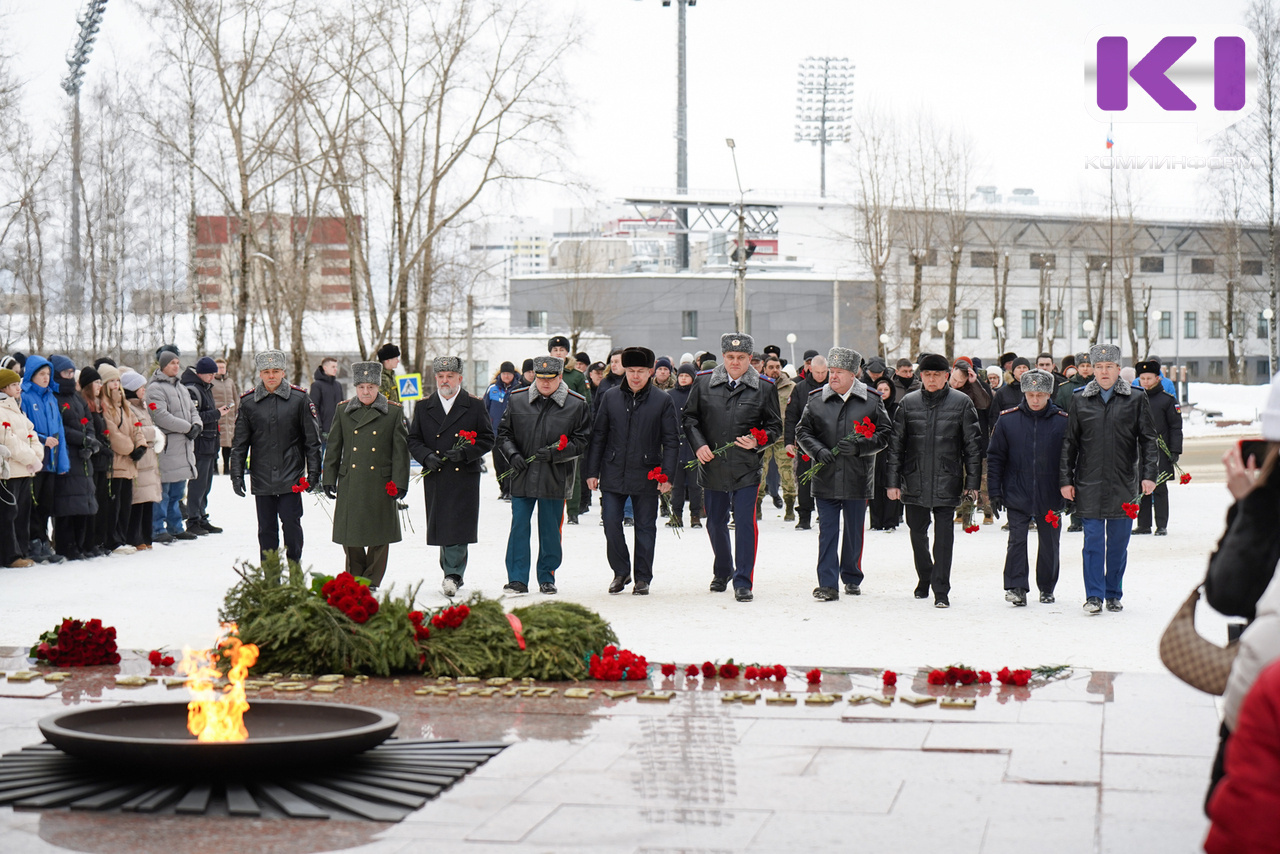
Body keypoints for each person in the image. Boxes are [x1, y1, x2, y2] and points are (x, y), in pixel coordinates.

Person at [682, 333, 783, 603]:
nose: (735, 362)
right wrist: (699, 445)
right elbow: (690, 418)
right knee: (715, 522)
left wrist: (758, 440)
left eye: (740, 357)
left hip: (746, 467)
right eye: (730, 357)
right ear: (723, 357)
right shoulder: (704, 382)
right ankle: (723, 569)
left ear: (750, 358)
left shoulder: (764, 387)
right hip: (712, 464)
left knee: (745, 523)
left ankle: (743, 580)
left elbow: (774, 426)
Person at [1059, 343, 1158, 615]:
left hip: (1123, 483)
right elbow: (1070, 443)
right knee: (1092, 542)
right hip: (1088, 482)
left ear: (1118, 369)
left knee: (1117, 544)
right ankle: (1094, 595)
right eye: (1099, 367)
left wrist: (1149, 475)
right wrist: (1066, 480)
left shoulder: (1135, 398)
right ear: (1092, 369)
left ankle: (1113, 593)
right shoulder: (1080, 399)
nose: (1104, 372)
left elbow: (1148, 440)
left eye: (1109, 367)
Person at [884, 352, 983, 609]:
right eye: (927, 374)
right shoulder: (908, 403)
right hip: (914, 477)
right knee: (917, 532)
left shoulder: (961, 403)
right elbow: (896, 446)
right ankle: (925, 575)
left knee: (944, 537)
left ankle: (941, 588)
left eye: (937, 375)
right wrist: (893, 482)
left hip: (947, 477)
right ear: (921, 376)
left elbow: (973, 447)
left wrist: (972, 484)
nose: (931, 379)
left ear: (946, 376)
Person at [796, 347, 891, 601]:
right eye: (831, 371)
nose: (833, 376)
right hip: (825, 475)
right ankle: (827, 584)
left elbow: (884, 434)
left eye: (839, 372)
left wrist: (861, 446)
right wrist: (817, 450)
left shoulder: (871, 400)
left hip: (857, 476)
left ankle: (851, 576)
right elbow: (802, 431)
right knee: (827, 531)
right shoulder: (816, 399)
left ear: (853, 374)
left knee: (853, 531)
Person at [585, 346, 679, 595]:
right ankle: (621, 571)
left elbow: (671, 441)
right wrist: (592, 471)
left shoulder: (662, 400)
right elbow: (599, 436)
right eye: (631, 371)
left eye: (640, 371)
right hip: (613, 470)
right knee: (611, 523)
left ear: (650, 372)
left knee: (645, 526)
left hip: (647, 472)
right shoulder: (611, 397)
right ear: (624, 371)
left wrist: (667, 475)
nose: (635, 376)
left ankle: (643, 577)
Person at [496, 355, 591, 594]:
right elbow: (504, 434)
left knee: (550, 530)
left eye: (550, 378)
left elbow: (581, 441)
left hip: (555, 476)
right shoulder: (517, 399)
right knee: (519, 527)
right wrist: (513, 455)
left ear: (560, 377)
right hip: (522, 474)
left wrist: (556, 454)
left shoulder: (576, 403)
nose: (545, 383)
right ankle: (517, 578)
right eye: (540, 378)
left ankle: (547, 576)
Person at [405, 357, 494, 595]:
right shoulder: (423, 406)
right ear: (436, 378)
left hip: (464, 474)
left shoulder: (474, 405)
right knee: (443, 523)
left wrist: (465, 453)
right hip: (436, 473)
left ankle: (453, 574)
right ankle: (450, 571)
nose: (445, 381)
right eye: (441, 376)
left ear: (459, 378)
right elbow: (413, 439)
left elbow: (487, 439)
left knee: (458, 523)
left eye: (450, 376)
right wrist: (426, 456)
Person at [230, 349, 323, 568]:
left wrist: (314, 473)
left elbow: (312, 441)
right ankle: (271, 577)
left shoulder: (299, 399)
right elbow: (240, 443)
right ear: (260, 374)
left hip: (291, 477)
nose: (271, 376)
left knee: (291, 526)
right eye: (266, 372)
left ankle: (294, 569)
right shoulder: (249, 402)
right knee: (266, 530)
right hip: (262, 477)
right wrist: (236, 474)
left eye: (275, 371)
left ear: (283, 372)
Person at [323, 360, 411, 589]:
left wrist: (400, 482)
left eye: (370, 387)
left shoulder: (393, 412)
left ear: (377, 387)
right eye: (361, 387)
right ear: (355, 387)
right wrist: (328, 478)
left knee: (380, 533)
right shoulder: (343, 410)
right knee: (350, 532)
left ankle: (372, 578)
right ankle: (355, 576)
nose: (365, 392)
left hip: (381, 482)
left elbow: (400, 452)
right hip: (351, 481)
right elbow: (334, 447)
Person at [986, 370, 1068, 606]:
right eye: (1031, 394)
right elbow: (995, 458)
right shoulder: (1008, 420)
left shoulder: (1063, 421)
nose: (1035, 400)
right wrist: (995, 491)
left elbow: (1071, 458)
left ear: (1049, 394)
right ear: (1024, 393)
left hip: (1050, 492)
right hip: (1017, 490)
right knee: (1017, 540)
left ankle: (1047, 586)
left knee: (1050, 543)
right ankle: (1016, 586)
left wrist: (1070, 489)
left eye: (1040, 395)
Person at [148, 350, 200, 544]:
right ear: (163, 366)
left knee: (177, 493)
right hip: (168, 447)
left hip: (183, 448)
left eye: (178, 363)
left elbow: (193, 410)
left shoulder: (181, 388)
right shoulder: (155, 388)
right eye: (172, 363)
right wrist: (187, 428)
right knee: (163, 492)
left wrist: (197, 425)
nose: (176, 366)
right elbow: (160, 415)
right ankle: (157, 528)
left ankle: (176, 527)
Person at [19, 356, 67, 563]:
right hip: (35, 458)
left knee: (47, 502)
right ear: (32, 375)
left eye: (48, 374)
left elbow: (60, 431)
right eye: (41, 374)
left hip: (51, 460)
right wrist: (41, 439)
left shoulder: (51, 398)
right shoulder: (25, 397)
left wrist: (62, 462)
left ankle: (43, 540)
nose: (46, 378)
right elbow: (24, 428)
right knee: (33, 501)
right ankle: (34, 541)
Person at [95, 365, 144, 555]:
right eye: (112, 381)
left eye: (118, 381)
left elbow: (136, 426)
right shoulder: (104, 406)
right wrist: (131, 448)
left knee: (125, 504)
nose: (116, 385)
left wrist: (141, 445)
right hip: (115, 463)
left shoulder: (124, 405)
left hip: (128, 463)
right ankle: (112, 540)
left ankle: (121, 537)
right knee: (113, 506)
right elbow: (112, 434)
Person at [1133, 358, 1182, 536]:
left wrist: (1175, 450)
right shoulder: (1134, 399)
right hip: (1139, 450)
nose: (1145, 382)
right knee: (1141, 486)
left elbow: (1175, 427)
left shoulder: (1167, 400)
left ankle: (1161, 524)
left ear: (1157, 378)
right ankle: (1143, 525)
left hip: (1160, 450)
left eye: (1149, 378)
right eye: (1142, 379)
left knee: (1159, 486)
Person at [0, 367, 43, 568]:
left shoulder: (18, 409)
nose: (19, 388)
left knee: (23, 513)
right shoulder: (1, 410)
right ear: (3, 388)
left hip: (24, 469)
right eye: (14, 385)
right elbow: (8, 440)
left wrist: (37, 455)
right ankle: (10, 555)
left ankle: (21, 550)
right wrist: (31, 457)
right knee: (9, 514)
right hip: (8, 471)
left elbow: (31, 434)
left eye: (18, 384)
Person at [182, 356, 228, 536]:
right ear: (200, 373)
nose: (213, 377)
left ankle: (201, 517)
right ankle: (193, 519)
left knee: (206, 484)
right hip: (200, 444)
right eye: (210, 374)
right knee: (198, 484)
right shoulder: (192, 389)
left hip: (209, 443)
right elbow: (194, 417)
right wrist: (217, 414)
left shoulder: (205, 387)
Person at [549, 335, 591, 523]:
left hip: (571, 429)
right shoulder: (544, 373)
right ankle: (551, 507)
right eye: (555, 350)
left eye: (562, 350)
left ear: (567, 352)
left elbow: (586, 403)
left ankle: (573, 511)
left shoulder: (576, 375)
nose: (558, 353)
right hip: (550, 428)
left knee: (573, 472)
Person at [949, 357, 994, 526]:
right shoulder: (946, 388)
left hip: (977, 441)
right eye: (954, 380)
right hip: (955, 442)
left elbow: (985, 404)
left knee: (982, 480)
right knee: (961, 479)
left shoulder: (978, 388)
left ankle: (987, 510)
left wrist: (975, 383)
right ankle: (962, 511)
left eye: (960, 381)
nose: (956, 384)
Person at [787, 355, 829, 530]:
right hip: (806, 441)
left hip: (828, 440)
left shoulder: (834, 386)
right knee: (805, 479)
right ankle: (804, 516)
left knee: (827, 479)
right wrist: (789, 441)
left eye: (823, 372)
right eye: (817, 372)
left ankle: (825, 514)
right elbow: (791, 416)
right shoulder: (800, 388)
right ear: (810, 369)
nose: (820, 375)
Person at [121, 369, 160, 551]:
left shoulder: (142, 407)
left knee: (148, 499)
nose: (144, 390)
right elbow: (134, 430)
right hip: (139, 460)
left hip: (149, 459)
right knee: (138, 500)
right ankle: (135, 537)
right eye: (141, 387)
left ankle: (146, 535)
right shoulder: (129, 407)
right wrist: (154, 433)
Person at [757, 354, 797, 522]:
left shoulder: (791, 387)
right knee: (760, 472)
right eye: (771, 367)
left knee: (787, 472)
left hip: (783, 437)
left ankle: (790, 506)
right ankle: (757, 506)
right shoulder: (758, 386)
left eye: (777, 367)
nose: (775, 370)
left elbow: (796, 412)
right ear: (764, 369)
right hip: (763, 436)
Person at [666, 363, 703, 529]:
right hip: (676, 446)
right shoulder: (669, 396)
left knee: (695, 485)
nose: (683, 378)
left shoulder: (698, 395)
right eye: (681, 375)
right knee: (677, 484)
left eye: (686, 376)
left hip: (694, 445)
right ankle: (676, 515)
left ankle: (695, 515)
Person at [868, 376, 903, 532]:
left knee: (892, 483)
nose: (882, 392)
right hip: (874, 451)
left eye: (886, 389)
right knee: (874, 486)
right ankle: (876, 521)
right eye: (879, 389)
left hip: (892, 451)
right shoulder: (870, 408)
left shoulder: (897, 409)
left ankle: (891, 521)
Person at [484, 361, 521, 499]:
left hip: (512, 433)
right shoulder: (492, 389)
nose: (506, 376)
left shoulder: (519, 388)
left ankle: (510, 489)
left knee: (509, 461)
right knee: (498, 463)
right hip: (495, 432)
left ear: (513, 375)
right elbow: (484, 409)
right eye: (504, 373)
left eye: (509, 374)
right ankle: (503, 488)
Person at [310, 356, 345, 459]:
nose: (336, 369)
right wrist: (319, 429)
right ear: (325, 368)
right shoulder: (316, 385)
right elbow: (313, 408)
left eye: (336, 367)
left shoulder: (338, 385)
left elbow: (342, 407)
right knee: (320, 461)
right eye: (333, 367)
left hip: (337, 431)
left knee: (336, 461)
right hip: (322, 433)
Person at [212, 357, 237, 475]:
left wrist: (237, 411)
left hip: (229, 418)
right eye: (219, 367)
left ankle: (227, 467)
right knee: (215, 444)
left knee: (228, 444)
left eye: (223, 367)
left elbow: (235, 398)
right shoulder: (211, 381)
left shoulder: (230, 382)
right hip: (216, 417)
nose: (221, 369)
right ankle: (214, 467)